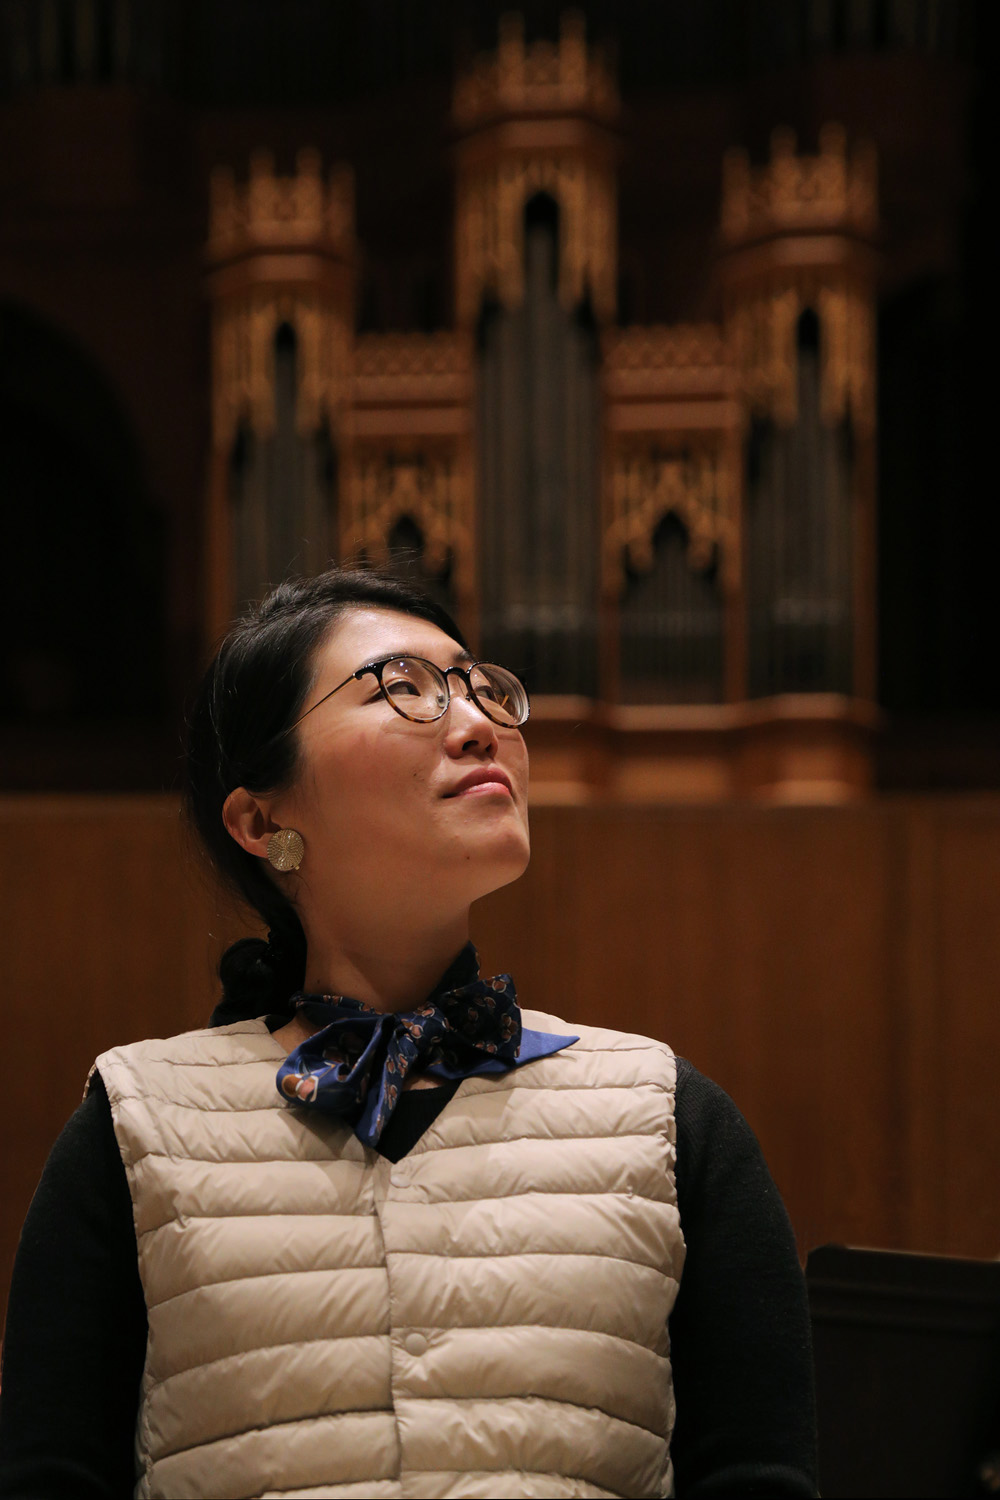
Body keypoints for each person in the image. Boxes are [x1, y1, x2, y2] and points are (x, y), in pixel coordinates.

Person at [0, 567, 818, 1499]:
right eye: (402, 689)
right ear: (263, 819)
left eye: (480, 688)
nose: (480, 726)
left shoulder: (670, 1116)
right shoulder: (132, 1127)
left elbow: (762, 1476)